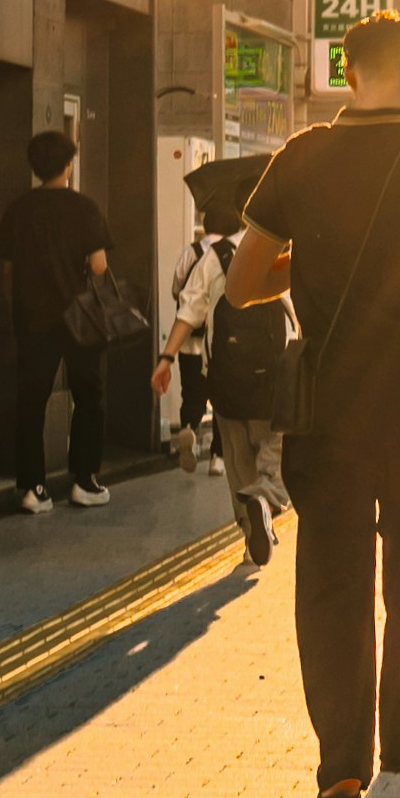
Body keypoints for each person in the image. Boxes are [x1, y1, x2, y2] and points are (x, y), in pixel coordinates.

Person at [223, 13, 400, 798]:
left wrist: (300, 266)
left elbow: (241, 286)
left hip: (329, 397)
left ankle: (339, 770)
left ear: (347, 73)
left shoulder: (301, 159)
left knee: (332, 579)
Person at [0, 125, 114, 515]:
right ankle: (84, 481)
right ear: (69, 165)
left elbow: (5, 268)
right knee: (88, 397)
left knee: (31, 401)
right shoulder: (84, 208)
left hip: (31, 318)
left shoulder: (19, 209)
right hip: (78, 319)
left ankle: (32, 488)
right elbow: (99, 265)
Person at [152, 214, 285, 567]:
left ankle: (250, 537)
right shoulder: (289, 250)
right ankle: (267, 500)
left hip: (226, 382)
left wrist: (167, 358)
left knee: (240, 467)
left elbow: (190, 309)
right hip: (276, 383)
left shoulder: (217, 255)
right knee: (276, 461)